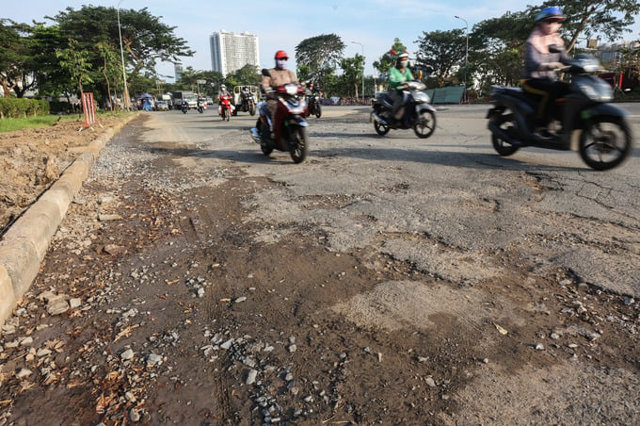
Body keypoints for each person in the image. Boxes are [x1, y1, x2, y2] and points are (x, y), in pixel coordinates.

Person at [521, 6, 571, 139]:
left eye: (557, 22)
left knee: (569, 89)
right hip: (531, 81)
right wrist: (547, 65)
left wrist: (583, 64)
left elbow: (566, 59)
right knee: (551, 91)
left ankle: (562, 125)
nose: (553, 25)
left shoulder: (557, 41)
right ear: (540, 22)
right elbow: (531, 63)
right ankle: (541, 125)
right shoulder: (533, 41)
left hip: (549, 81)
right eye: (549, 21)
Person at [261, 50, 298, 126]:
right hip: (274, 98)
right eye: (281, 59)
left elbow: (296, 83)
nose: (283, 61)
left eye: (285, 59)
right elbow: (265, 83)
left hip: (289, 97)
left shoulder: (290, 73)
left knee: (299, 107)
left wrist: (302, 89)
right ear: (276, 60)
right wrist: (267, 89)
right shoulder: (270, 72)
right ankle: (274, 129)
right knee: (275, 108)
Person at [387, 50, 413, 121]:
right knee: (400, 100)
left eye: (406, 59)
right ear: (399, 60)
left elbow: (411, 79)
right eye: (403, 59)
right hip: (394, 91)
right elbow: (392, 81)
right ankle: (392, 117)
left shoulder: (407, 70)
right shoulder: (393, 70)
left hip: (405, 91)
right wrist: (398, 82)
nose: (405, 61)